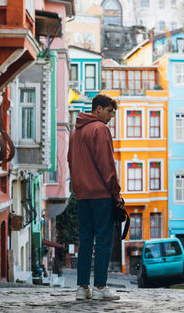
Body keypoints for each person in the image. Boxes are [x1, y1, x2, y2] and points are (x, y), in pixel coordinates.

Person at [67, 94, 123, 301]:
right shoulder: (100, 129)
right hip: (100, 193)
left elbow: (70, 161)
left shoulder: (75, 132)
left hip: (82, 194)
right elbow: (107, 164)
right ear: (98, 109)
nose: (111, 117)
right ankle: (100, 287)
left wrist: (77, 187)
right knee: (103, 240)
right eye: (109, 112)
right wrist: (115, 194)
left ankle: (82, 288)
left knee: (85, 239)